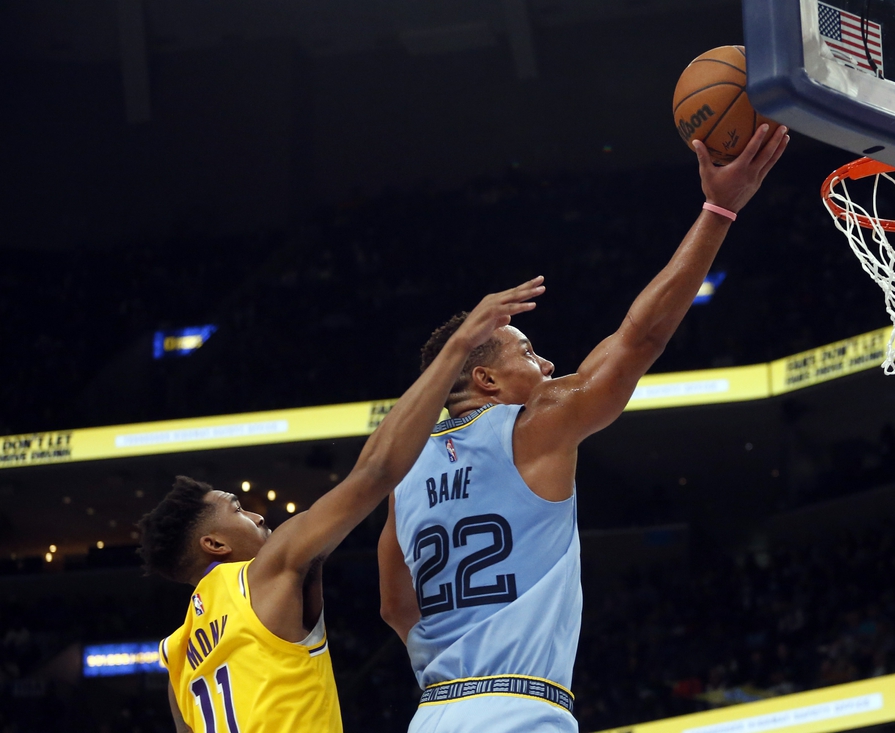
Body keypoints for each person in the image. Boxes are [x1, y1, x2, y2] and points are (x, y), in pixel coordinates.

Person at [377, 126, 790, 731]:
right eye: (530, 353)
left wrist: (455, 671)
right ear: (487, 380)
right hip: (519, 708)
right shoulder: (534, 426)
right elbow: (639, 338)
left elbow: (394, 607)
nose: (547, 366)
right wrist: (720, 209)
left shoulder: (402, 473)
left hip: (434, 712)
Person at [137, 277, 546, 733]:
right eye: (236, 509)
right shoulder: (265, 572)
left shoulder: (175, 656)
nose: (255, 515)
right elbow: (375, 473)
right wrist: (458, 348)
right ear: (213, 543)